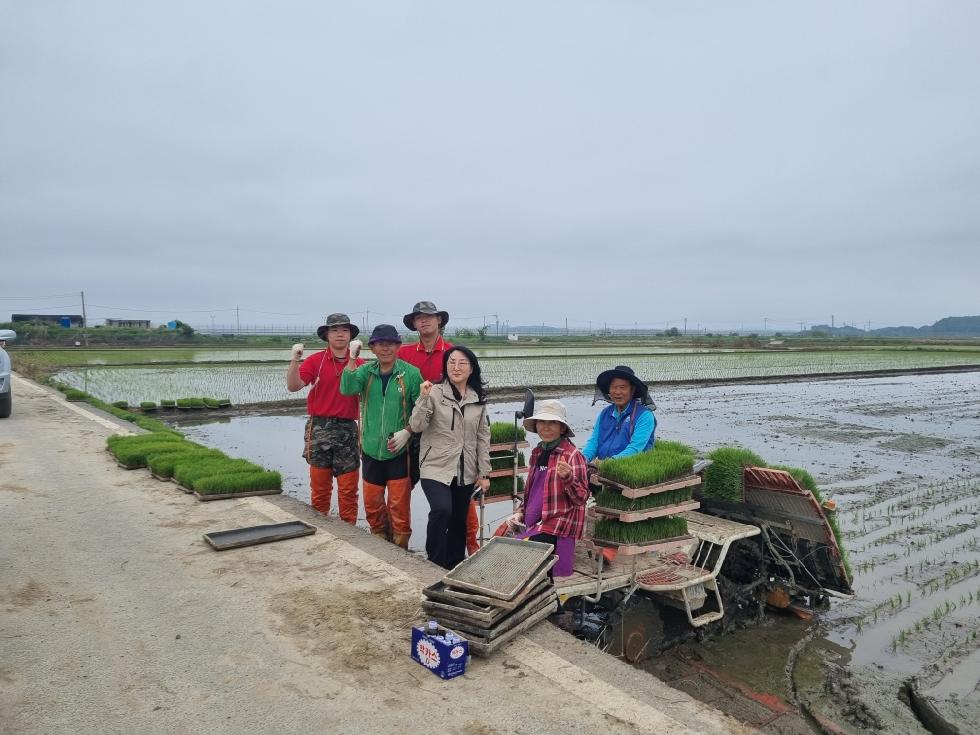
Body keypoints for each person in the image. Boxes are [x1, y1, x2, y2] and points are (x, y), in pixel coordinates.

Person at [398, 300, 481, 555]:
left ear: (439, 321)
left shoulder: (454, 354)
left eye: (429, 317)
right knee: (400, 492)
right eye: (418, 318)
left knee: (460, 501)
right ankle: (399, 549)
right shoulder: (404, 354)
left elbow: (470, 393)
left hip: (447, 434)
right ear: (413, 324)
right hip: (412, 429)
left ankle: (469, 548)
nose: (424, 321)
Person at [340, 324, 422, 549]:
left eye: (390, 344)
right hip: (370, 450)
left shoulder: (411, 374)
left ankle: (401, 549)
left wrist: (408, 431)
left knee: (399, 506)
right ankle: (381, 547)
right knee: (373, 505)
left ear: (398, 347)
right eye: (380, 344)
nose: (385, 349)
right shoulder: (366, 371)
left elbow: (422, 410)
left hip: (398, 451)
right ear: (373, 348)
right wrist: (351, 359)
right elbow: (347, 388)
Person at [409, 345, 491, 569]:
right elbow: (417, 425)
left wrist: (484, 473)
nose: (456, 367)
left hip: (465, 470)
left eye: (462, 363)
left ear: (471, 368)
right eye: (451, 362)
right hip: (436, 466)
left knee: (458, 519)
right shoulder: (434, 392)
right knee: (442, 509)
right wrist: (423, 399)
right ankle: (434, 563)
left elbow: (483, 437)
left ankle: (453, 564)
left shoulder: (478, 399)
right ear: (445, 367)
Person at [286, 313, 363, 524]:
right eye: (334, 330)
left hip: (348, 429)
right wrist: (295, 360)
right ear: (327, 335)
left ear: (350, 335)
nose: (340, 334)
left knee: (348, 490)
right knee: (320, 490)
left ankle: (351, 535)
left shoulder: (360, 363)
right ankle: (320, 531)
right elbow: (294, 386)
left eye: (344, 330)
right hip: (319, 427)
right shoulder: (315, 361)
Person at [506, 399, 589, 577]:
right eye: (542, 422)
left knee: (522, 560)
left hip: (557, 526)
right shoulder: (537, 453)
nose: (546, 427)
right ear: (536, 426)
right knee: (502, 541)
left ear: (562, 428)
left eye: (553, 422)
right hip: (534, 522)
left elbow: (581, 498)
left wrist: (568, 478)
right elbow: (533, 492)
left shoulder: (572, 455)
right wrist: (520, 512)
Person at [581, 365, 657, 465]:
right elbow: (594, 442)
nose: (617, 392)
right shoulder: (605, 414)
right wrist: (582, 459)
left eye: (622, 387)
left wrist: (607, 463)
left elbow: (635, 449)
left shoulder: (644, 416)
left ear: (632, 390)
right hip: (602, 468)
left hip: (631, 469)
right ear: (609, 390)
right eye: (614, 387)